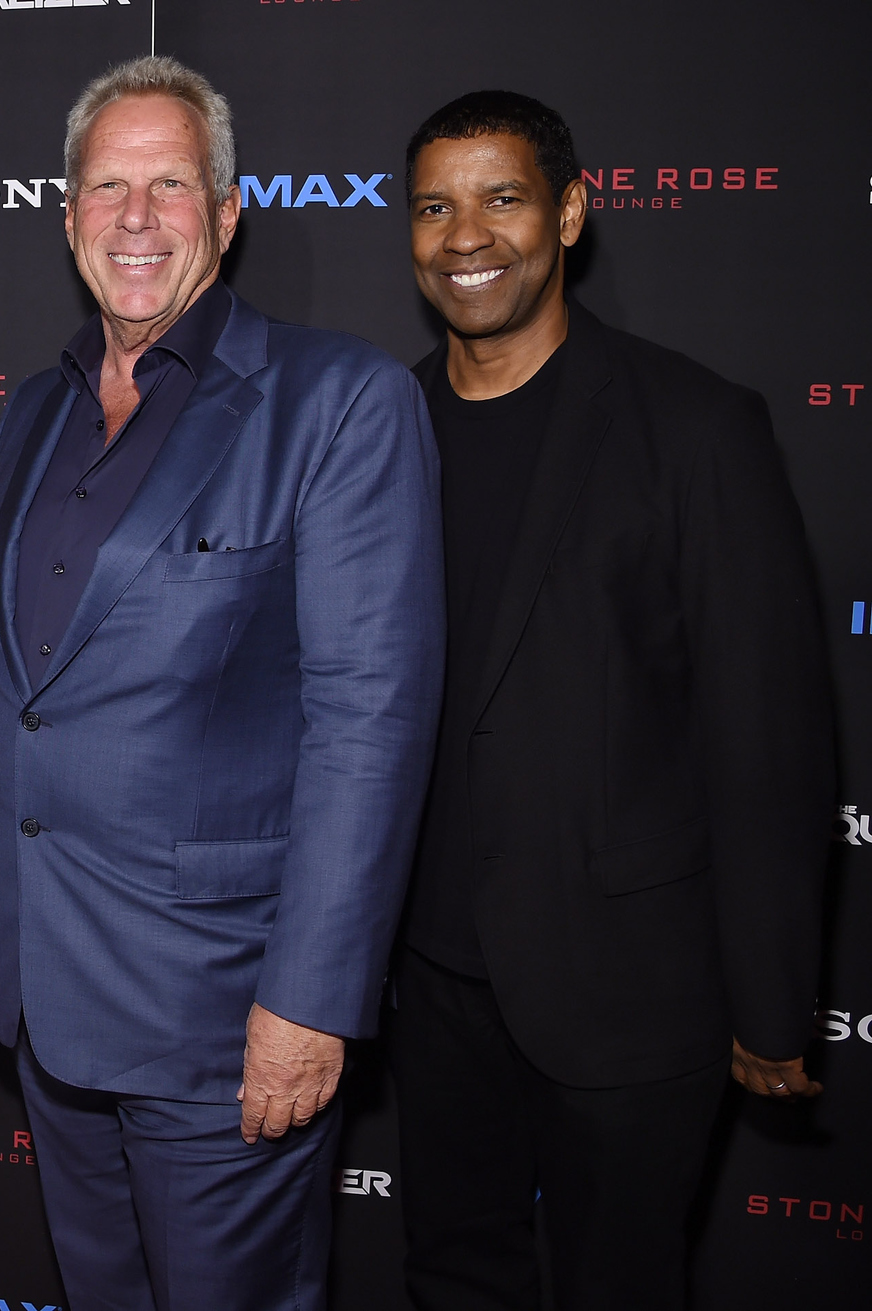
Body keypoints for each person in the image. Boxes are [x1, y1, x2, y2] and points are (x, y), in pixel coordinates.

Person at [0, 56, 446, 1309]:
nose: (135, 217)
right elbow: (10, 667)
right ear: (65, 220)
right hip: (42, 994)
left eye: (170, 184)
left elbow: (366, 722)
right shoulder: (31, 408)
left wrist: (307, 1005)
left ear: (226, 213)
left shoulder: (338, 404)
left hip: (220, 1016)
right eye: (106, 186)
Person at [392, 91, 833, 1311]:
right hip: (424, 980)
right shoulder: (379, 428)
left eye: (500, 198)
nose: (463, 235)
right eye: (432, 207)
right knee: (448, 1279)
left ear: (569, 215)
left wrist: (769, 994)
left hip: (630, 988)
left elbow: (764, 734)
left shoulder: (692, 427)